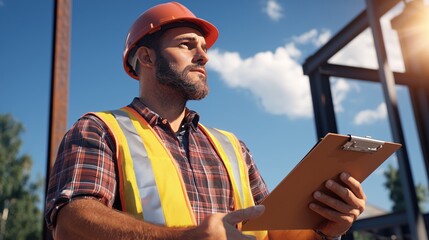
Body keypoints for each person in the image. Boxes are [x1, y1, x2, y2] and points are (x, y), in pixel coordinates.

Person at [45, 2, 366, 239]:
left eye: (203, 47)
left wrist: (324, 229)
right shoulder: (101, 129)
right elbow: (71, 223)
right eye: (187, 45)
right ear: (146, 57)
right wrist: (185, 238)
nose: (204, 55)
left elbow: (268, 230)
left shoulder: (232, 147)